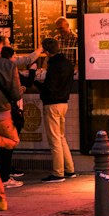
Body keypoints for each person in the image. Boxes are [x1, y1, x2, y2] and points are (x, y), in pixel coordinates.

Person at [0, 31, 22, 210]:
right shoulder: (7, 65)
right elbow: (16, 94)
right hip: (2, 114)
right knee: (14, 140)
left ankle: (0, 198)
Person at [36, 37, 76, 181]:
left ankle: (58, 172)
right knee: (61, 137)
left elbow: (49, 87)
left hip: (52, 104)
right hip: (64, 103)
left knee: (54, 140)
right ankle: (69, 169)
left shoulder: (53, 65)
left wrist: (37, 83)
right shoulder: (67, 63)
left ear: (46, 51)